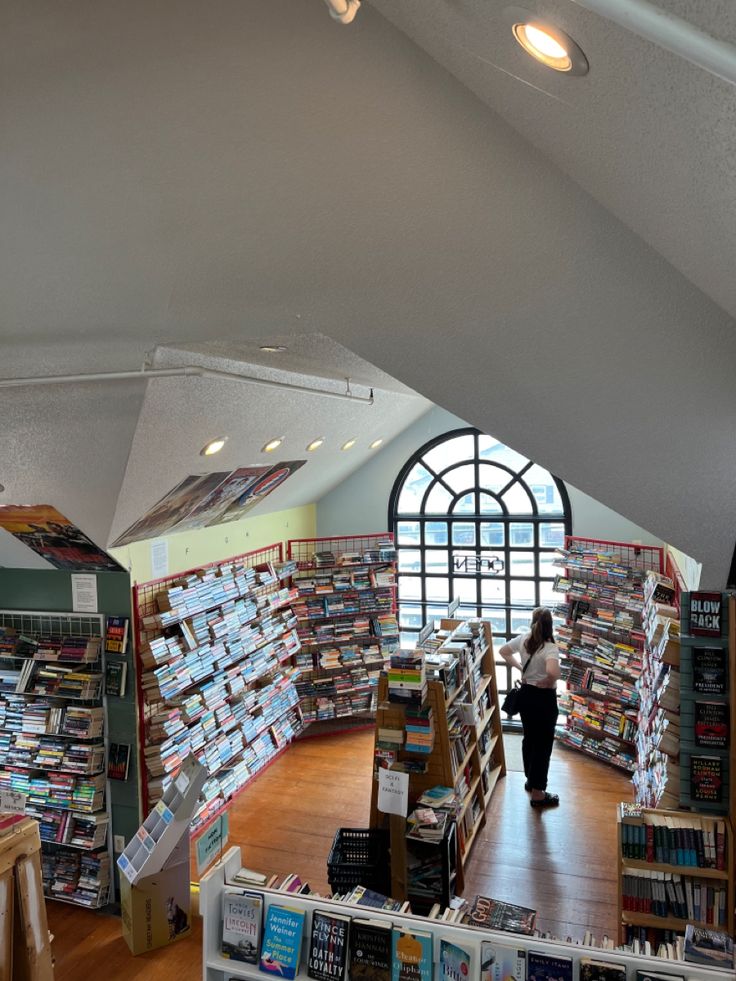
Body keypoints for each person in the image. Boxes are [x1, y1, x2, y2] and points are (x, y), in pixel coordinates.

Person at [499, 607, 561, 808]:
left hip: (526, 695)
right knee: (543, 746)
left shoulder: (523, 639)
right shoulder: (549, 647)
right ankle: (538, 794)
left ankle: (530, 780)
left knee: (530, 739)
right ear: (550, 626)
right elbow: (553, 671)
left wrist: (519, 668)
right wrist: (549, 679)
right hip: (544, 699)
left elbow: (503, 651)